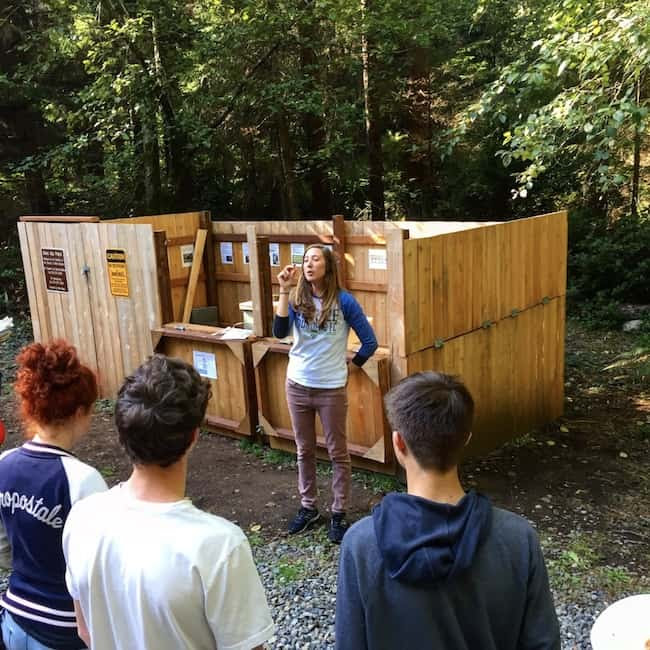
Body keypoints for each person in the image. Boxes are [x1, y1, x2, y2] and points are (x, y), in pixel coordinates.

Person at [62, 355, 275, 650]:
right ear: (193, 436)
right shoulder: (220, 545)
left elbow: (85, 631)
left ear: (123, 433)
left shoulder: (82, 518)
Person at [335, 371, 561, 650]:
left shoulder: (361, 545)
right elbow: (543, 643)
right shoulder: (517, 539)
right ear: (466, 438)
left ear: (398, 443)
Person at [0, 340, 107, 650]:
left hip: (14, 618)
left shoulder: (4, 464)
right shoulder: (83, 480)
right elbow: (95, 570)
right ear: (78, 412)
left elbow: (4, 547)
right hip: (64, 631)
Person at [273, 244, 378, 544]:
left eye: (315, 259)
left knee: (337, 452)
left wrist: (350, 369)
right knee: (304, 449)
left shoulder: (345, 302)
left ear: (328, 266)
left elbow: (369, 342)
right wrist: (283, 289)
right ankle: (309, 508)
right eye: (305, 259)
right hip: (297, 384)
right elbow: (279, 332)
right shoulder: (295, 298)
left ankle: (338, 512)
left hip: (331, 388)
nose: (308, 264)